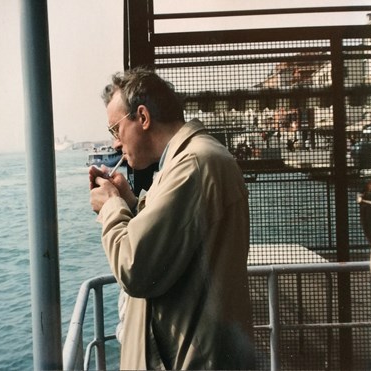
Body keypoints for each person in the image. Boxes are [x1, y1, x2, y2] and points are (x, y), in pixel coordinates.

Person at [89, 68, 256, 370]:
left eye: (115, 129)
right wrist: (129, 202)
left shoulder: (192, 164)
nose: (114, 143)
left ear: (142, 117)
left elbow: (135, 268)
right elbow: (180, 242)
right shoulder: (194, 158)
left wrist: (112, 207)